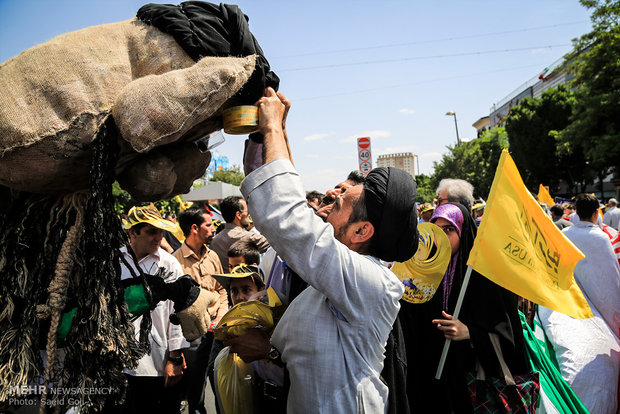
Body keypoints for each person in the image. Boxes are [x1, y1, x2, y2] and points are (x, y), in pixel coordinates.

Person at [225, 87, 419, 413]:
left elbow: (289, 218)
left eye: (340, 201)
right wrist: (271, 133)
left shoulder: (374, 283)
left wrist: (273, 127)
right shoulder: (332, 278)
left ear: (361, 231)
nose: (329, 194)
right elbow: (289, 207)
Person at [398, 202, 528, 413]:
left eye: (449, 230)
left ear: (463, 232)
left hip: (470, 385)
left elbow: (509, 337)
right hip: (426, 381)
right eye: (436, 229)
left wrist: (471, 333)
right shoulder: (420, 269)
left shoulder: (483, 275)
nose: (441, 237)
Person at [538, 193, 620, 413]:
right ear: (596, 214)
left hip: (560, 306)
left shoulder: (564, 235)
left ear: (575, 212)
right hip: (592, 312)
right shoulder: (601, 238)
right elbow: (609, 281)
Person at [119, 205, 190, 413]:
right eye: (152, 231)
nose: (159, 237)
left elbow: (177, 313)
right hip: (119, 364)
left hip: (158, 364)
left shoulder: (169, 264)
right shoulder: (114, 262)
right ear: (133, 233)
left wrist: (175, 358)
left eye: (160, 231)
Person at [173, 207, 228, 414]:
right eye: (209, 224)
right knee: (195, 390)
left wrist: (220, 315)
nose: (214, 229)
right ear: (194, 228)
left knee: (220, 385)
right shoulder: (175, 262)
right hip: (193, 337)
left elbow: (222, 290)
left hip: (217, 332)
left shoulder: (213, 256)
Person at [210, 196, 270, 269]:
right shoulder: (247, 237)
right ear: (238, 215)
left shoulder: (215, 241)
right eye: (248, 211)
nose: (249, 215)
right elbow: (276, 243)